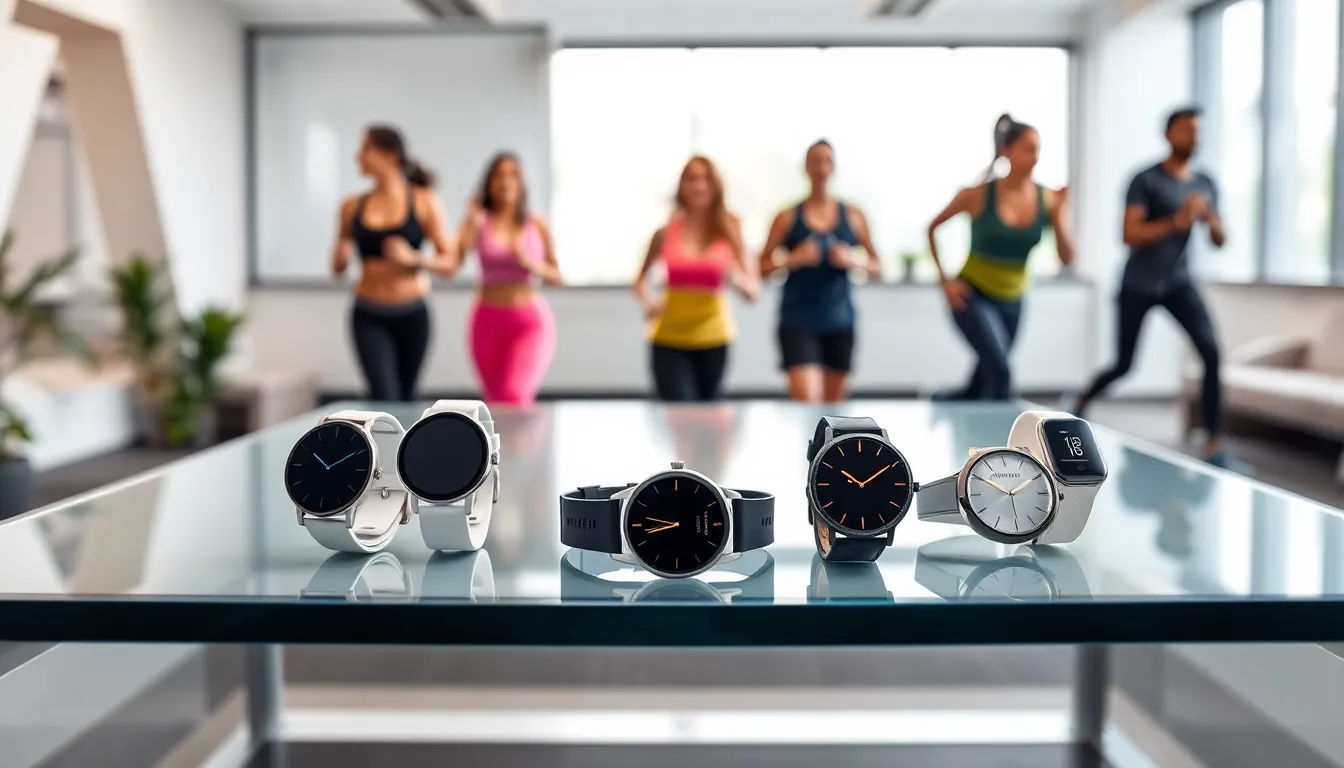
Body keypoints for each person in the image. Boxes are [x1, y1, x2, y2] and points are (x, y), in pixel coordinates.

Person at [1072, 107, 1234, 467]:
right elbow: (1129, 235)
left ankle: (1213, 444)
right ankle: (1080, 401)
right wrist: (1177, 220)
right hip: (1139, 284)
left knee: (1211, 350)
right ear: (1169, 134)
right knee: (1125, 364)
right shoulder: (1145, 180)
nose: (1195, 137)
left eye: (1199, 131)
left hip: (1178, 282)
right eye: (1188, 130)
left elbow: (1221, 239)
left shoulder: (1205, 182)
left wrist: (1209, 219)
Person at [927, 114, 1074, 401]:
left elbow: (1067, 257)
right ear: (1007, 150)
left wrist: (1060, 215)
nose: (1035, 157)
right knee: (1001, 371)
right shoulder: (978, 195)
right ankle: (1003, 445)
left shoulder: (1050, 200)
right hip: (973, 295)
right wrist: (944, 282)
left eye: (1038, 150)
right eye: (1028, 149)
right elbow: (932, 229)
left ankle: (943, 400)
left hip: (1014, 300)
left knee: (986, 375)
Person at [333, 125, 456, 402]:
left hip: (413, 314)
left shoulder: (424, 201)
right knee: (383, 396)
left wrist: (414, 259)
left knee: (407, 398)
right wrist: (341, 255)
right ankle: (383, 446)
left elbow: (450, 264)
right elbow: (337, 268)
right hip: (368, 314)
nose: (358, 156)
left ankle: (406, 446)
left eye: (365, 149)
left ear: (389, 155)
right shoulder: (351, 206)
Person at [758, 140, 882, 403]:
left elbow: (877, 266)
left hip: (840, 322)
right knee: (808, 404)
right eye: (816, 160)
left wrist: (851, 260)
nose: (822, 167)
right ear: (806, 168)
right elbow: (761, 266)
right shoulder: (787, 217)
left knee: (833, 413)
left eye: (827, 160)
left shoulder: (853, 215)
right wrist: (792, 259)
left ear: (833, 167)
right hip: (797, 322)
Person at [634, 156, 758, 402]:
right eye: (691, 179)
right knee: (679, 415)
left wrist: (733, 276)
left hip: (714, 338)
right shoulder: (665, 232)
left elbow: (753, 290)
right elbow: (639, 280)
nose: (699, 186)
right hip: (668, 338)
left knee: (707, 420)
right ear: (681, 186)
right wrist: (648, 303)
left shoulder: (731, 229)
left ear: (716, 186)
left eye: (706, 179)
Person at [456, 152, 561, 407]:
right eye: (499, 175)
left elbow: (557, 276)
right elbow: (455, 259)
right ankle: (506, 449)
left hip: (528, 322)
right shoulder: (479, 223)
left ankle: (527, 447)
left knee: (514, 396)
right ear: (489, 183)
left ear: (522, 182)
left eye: (513, 174)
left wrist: (530, 263)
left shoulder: (537, 224)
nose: (505, 181)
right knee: (494, 403)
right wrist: (470, 220)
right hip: (487, 321)